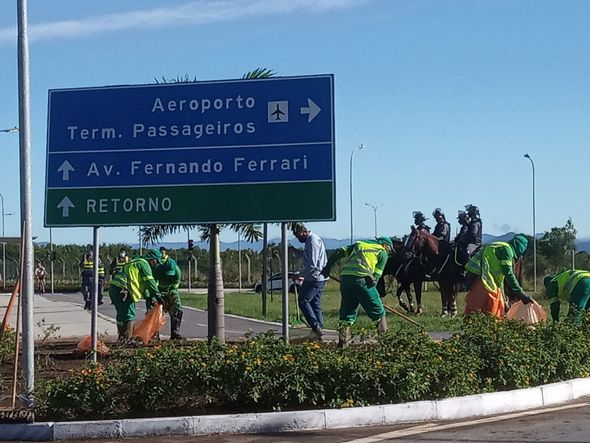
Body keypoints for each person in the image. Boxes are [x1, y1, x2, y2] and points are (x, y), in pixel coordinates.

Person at [321, 237, 393, 348]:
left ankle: (343, 343)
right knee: (378, 311)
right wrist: (372, 284)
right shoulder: (382, 251)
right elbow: (376, 277)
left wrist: (327, 267)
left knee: (347, 312)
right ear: (385, 245)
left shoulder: (359, 245)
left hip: (346, 279)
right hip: (363, 280)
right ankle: (385, 343)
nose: (389, 252)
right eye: (389, 249)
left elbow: (339, 251)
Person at [464, 233, 533, 318]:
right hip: (481, 276)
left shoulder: (502, 246)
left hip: (476, 274)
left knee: (487, 304)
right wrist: (521, 294)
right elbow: (509, 274)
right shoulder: (507, 251)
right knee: (489, 305)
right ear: (520, 248)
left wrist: (504, 299)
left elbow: (500, 281)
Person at [109, 248, 163, 342]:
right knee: (129, 315)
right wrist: (158, 296)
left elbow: (143, 286)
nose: (156, 265)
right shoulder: (144, 264)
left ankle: (122, 338)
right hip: (124, 290)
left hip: (115, 289)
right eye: (157, 262)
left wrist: (148, 297)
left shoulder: (134, 262)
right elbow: (150, 282)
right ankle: (126, 339)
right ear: (153, 260)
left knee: (122, 315)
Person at [292, 223, 328, 340]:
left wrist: (299, 275)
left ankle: (315, 326)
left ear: (303, 232)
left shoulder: (312, 240)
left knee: (303, 300)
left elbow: (312, 264)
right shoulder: (310, 240)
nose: (298, 239)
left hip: (314, 277)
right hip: (316, 276)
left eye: (298, 236)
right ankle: (318, 332)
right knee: (315, 304)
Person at [150, 246, 184, 340]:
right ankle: (155, 334)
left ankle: (175, 332)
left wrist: (173, 288)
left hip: (171, 289)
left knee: (177, 309)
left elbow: (177, 281)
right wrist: (157, 293)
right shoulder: (157, 269)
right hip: (160, 289)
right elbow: (154, 281)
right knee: (156, 311)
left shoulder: (176, 269)